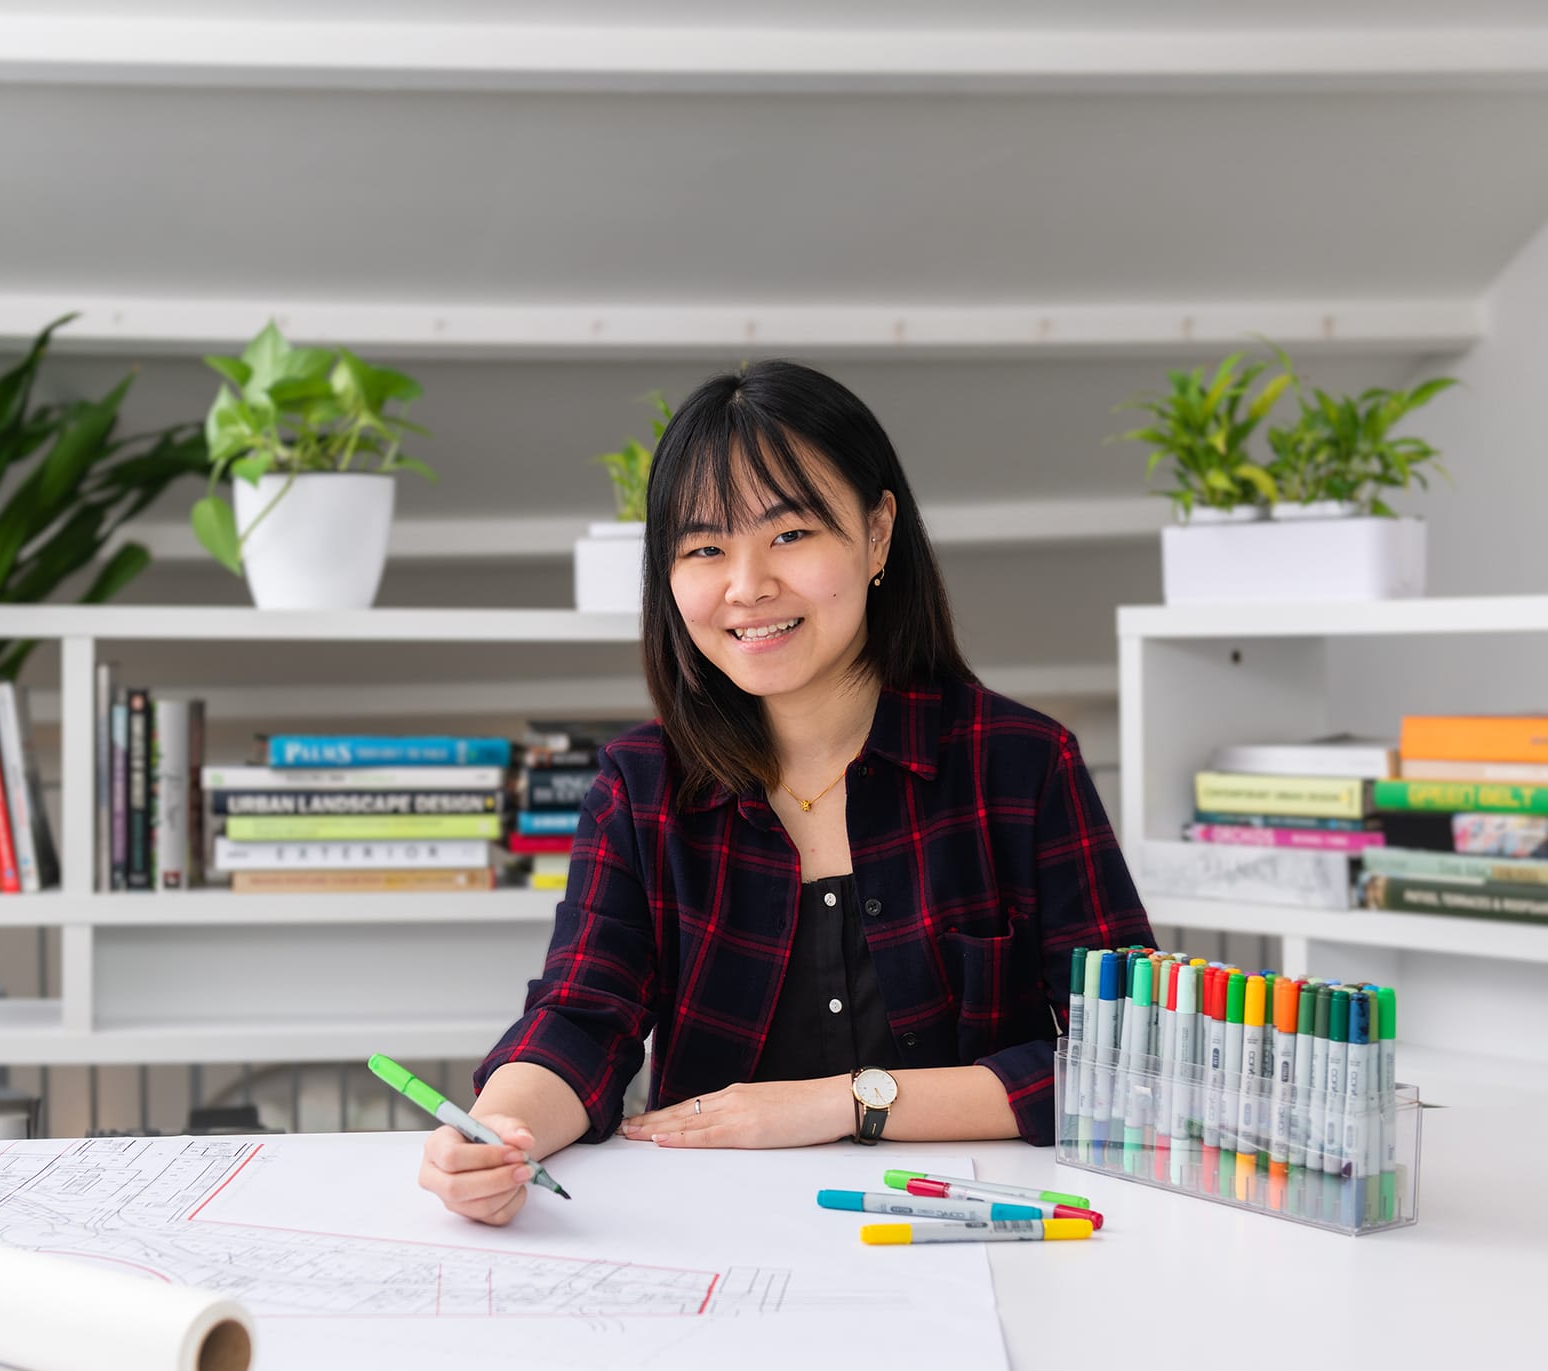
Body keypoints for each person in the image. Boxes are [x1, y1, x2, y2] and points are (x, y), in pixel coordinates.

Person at [419, 360, 1155, 1225]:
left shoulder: (1021, 766)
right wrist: (500, 1134)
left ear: (878, 535)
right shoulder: (641, 787)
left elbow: (1130, 1065)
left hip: (985, 1235)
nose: (747, 585)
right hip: (722, 1242)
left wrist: (845, 1102)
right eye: (704, 548)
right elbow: (582, 1019)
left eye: (791, 535)